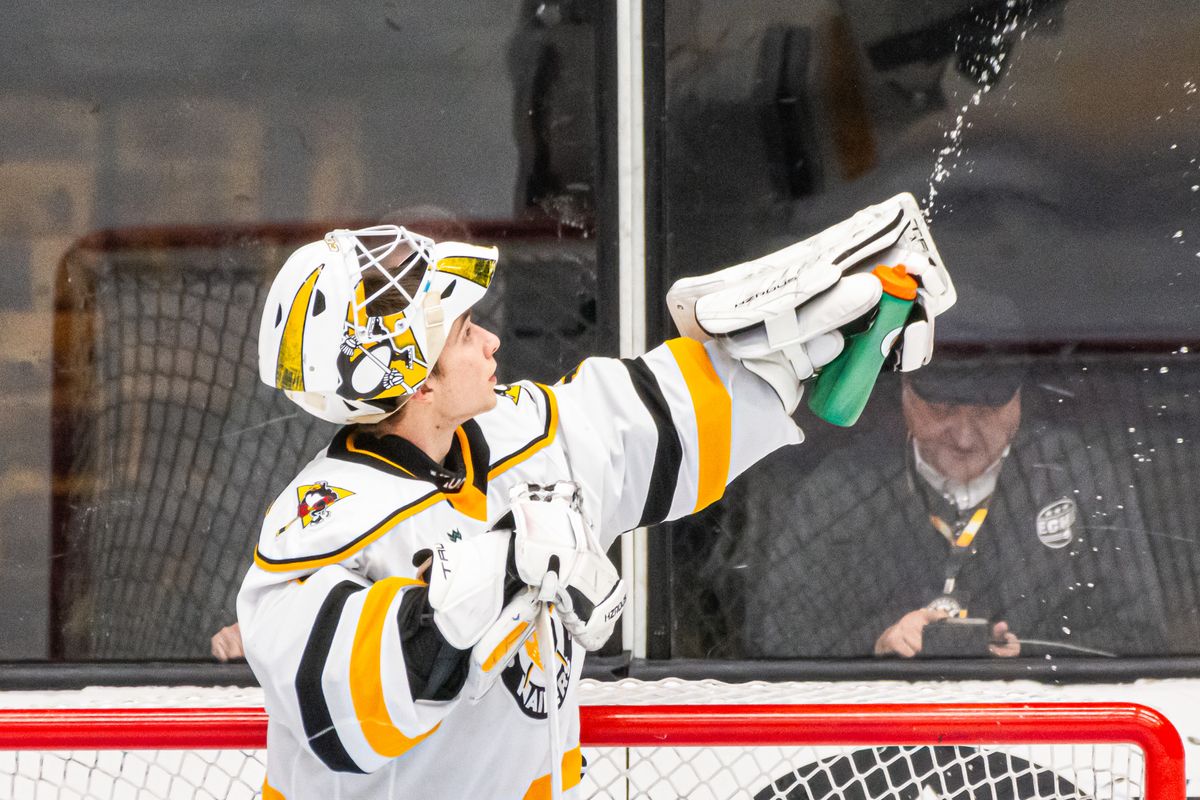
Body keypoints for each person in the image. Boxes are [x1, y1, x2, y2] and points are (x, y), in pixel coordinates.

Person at [237, 194, 955, 798]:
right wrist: (500, 571)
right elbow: (339, 713)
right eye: (463, 334)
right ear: (416, 376)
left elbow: (651, 420)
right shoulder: (319, 525)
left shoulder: (520, 435)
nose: (490, 342)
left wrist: (797, 348)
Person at [696, 353, 1169, 660]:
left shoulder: (1082, 478)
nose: (964, 438)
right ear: (905, 396)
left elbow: (1144, 635)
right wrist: (876, 648)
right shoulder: (840, 488)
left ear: (1020, 401)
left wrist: (1038, 658)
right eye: (942, 411)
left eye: (985, 413)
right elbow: (772, 637)